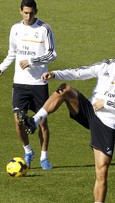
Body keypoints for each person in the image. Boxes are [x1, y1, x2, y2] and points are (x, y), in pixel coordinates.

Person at [18, 35, 115, 203]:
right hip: (89, 112)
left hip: (107, 125)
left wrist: (107, 103)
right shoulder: (106, 66)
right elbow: (80, 72)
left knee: (102, 171)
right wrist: (55, 74)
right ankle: (35, 121)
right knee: (66, 89)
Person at [0, 0, 57, 170]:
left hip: (39, 83)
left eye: (31, 13)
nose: (28, 16)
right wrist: (2, 67)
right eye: (25, 12)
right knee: (18, 121)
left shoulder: (44, 29)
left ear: (36, 11)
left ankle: (44, 157)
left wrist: (32, 61)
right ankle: (28, 151)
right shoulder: (15, 29)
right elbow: (13, 52)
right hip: (20, 83)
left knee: (42, 123)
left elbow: (52, 54)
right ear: (20, 12)